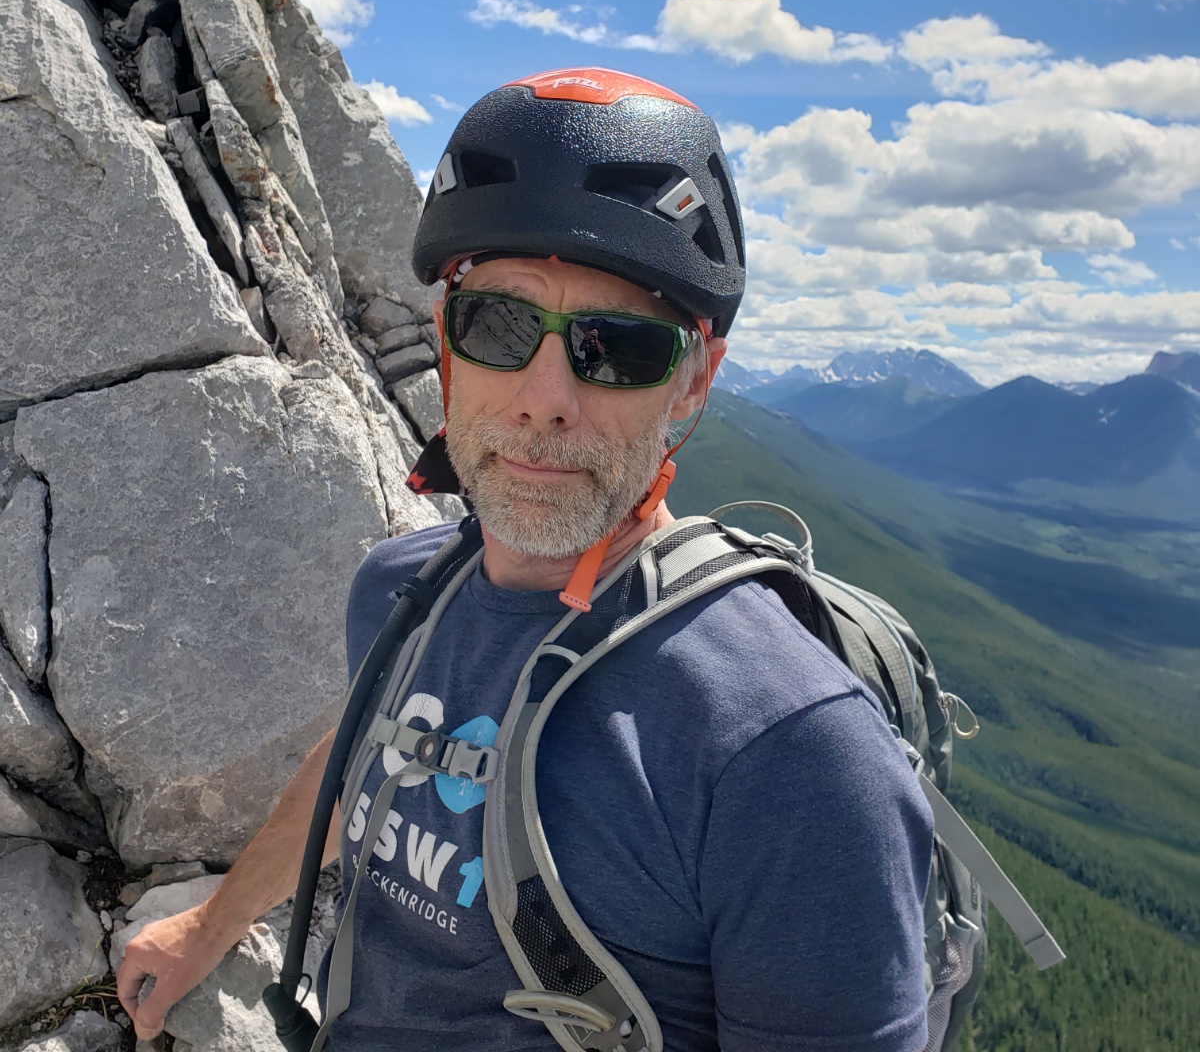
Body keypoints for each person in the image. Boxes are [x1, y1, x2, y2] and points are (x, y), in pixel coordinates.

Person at [117, 67, 934, 1051]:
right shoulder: (402, 595)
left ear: (692, 385)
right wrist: (210, 926)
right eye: (500, 326)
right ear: (449, 353)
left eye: (618, 349)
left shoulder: (789, 750)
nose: (546, 397)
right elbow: (358, 759)